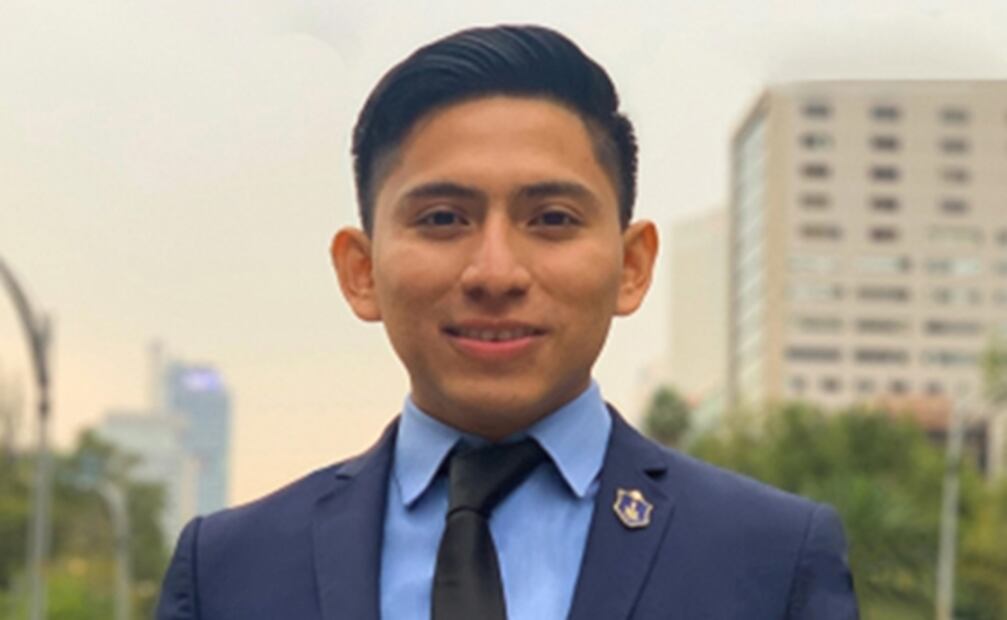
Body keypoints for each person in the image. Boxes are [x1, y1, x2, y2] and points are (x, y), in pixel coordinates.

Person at [156, 24, 858, 619]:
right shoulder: (228, 570)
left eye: (551, 219)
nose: (495, 273)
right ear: (361, 271)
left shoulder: (771, 559)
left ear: (632, 265)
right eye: (443, 219)